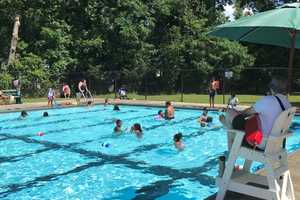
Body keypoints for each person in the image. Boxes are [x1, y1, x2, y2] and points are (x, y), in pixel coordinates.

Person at [219, 76, 291, 149]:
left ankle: (229, 129)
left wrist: (238, 112)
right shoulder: (288, 104)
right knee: (243, 122)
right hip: (276, 144)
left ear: (271, 88)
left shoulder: (268, 100)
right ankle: (229, 127)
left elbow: (247, 112)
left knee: (229, 112)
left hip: (260, 143)